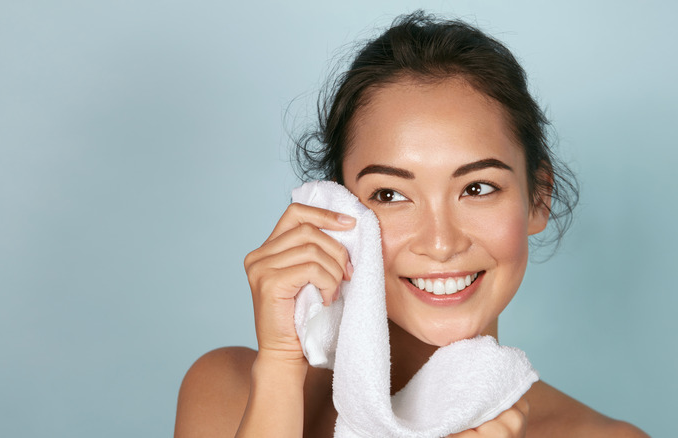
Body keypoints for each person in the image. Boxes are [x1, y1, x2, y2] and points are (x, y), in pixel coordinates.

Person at [174, 12, 648, 437]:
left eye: (478, 188)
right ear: (339, 210)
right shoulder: (229, 394)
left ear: (537, 199)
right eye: (390, 195)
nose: (441, 244)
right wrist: (279, 367)